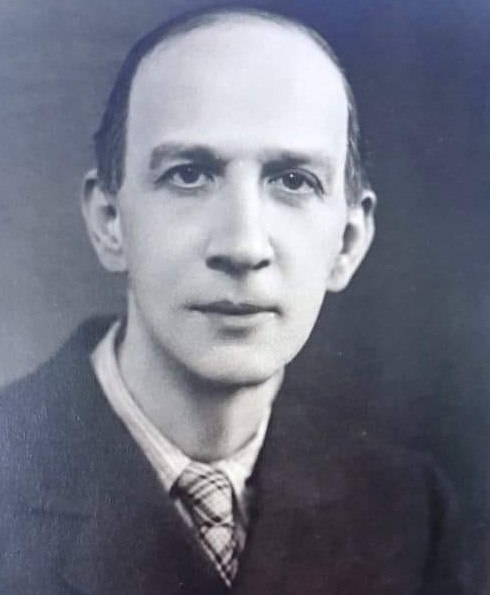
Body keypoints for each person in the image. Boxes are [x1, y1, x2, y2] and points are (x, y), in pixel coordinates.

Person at [0, 5, 461, 594]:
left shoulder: (410, 512)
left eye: (293, 181)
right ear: (110, 221)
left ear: (347, 242)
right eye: (189, 174)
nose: (243, 246)